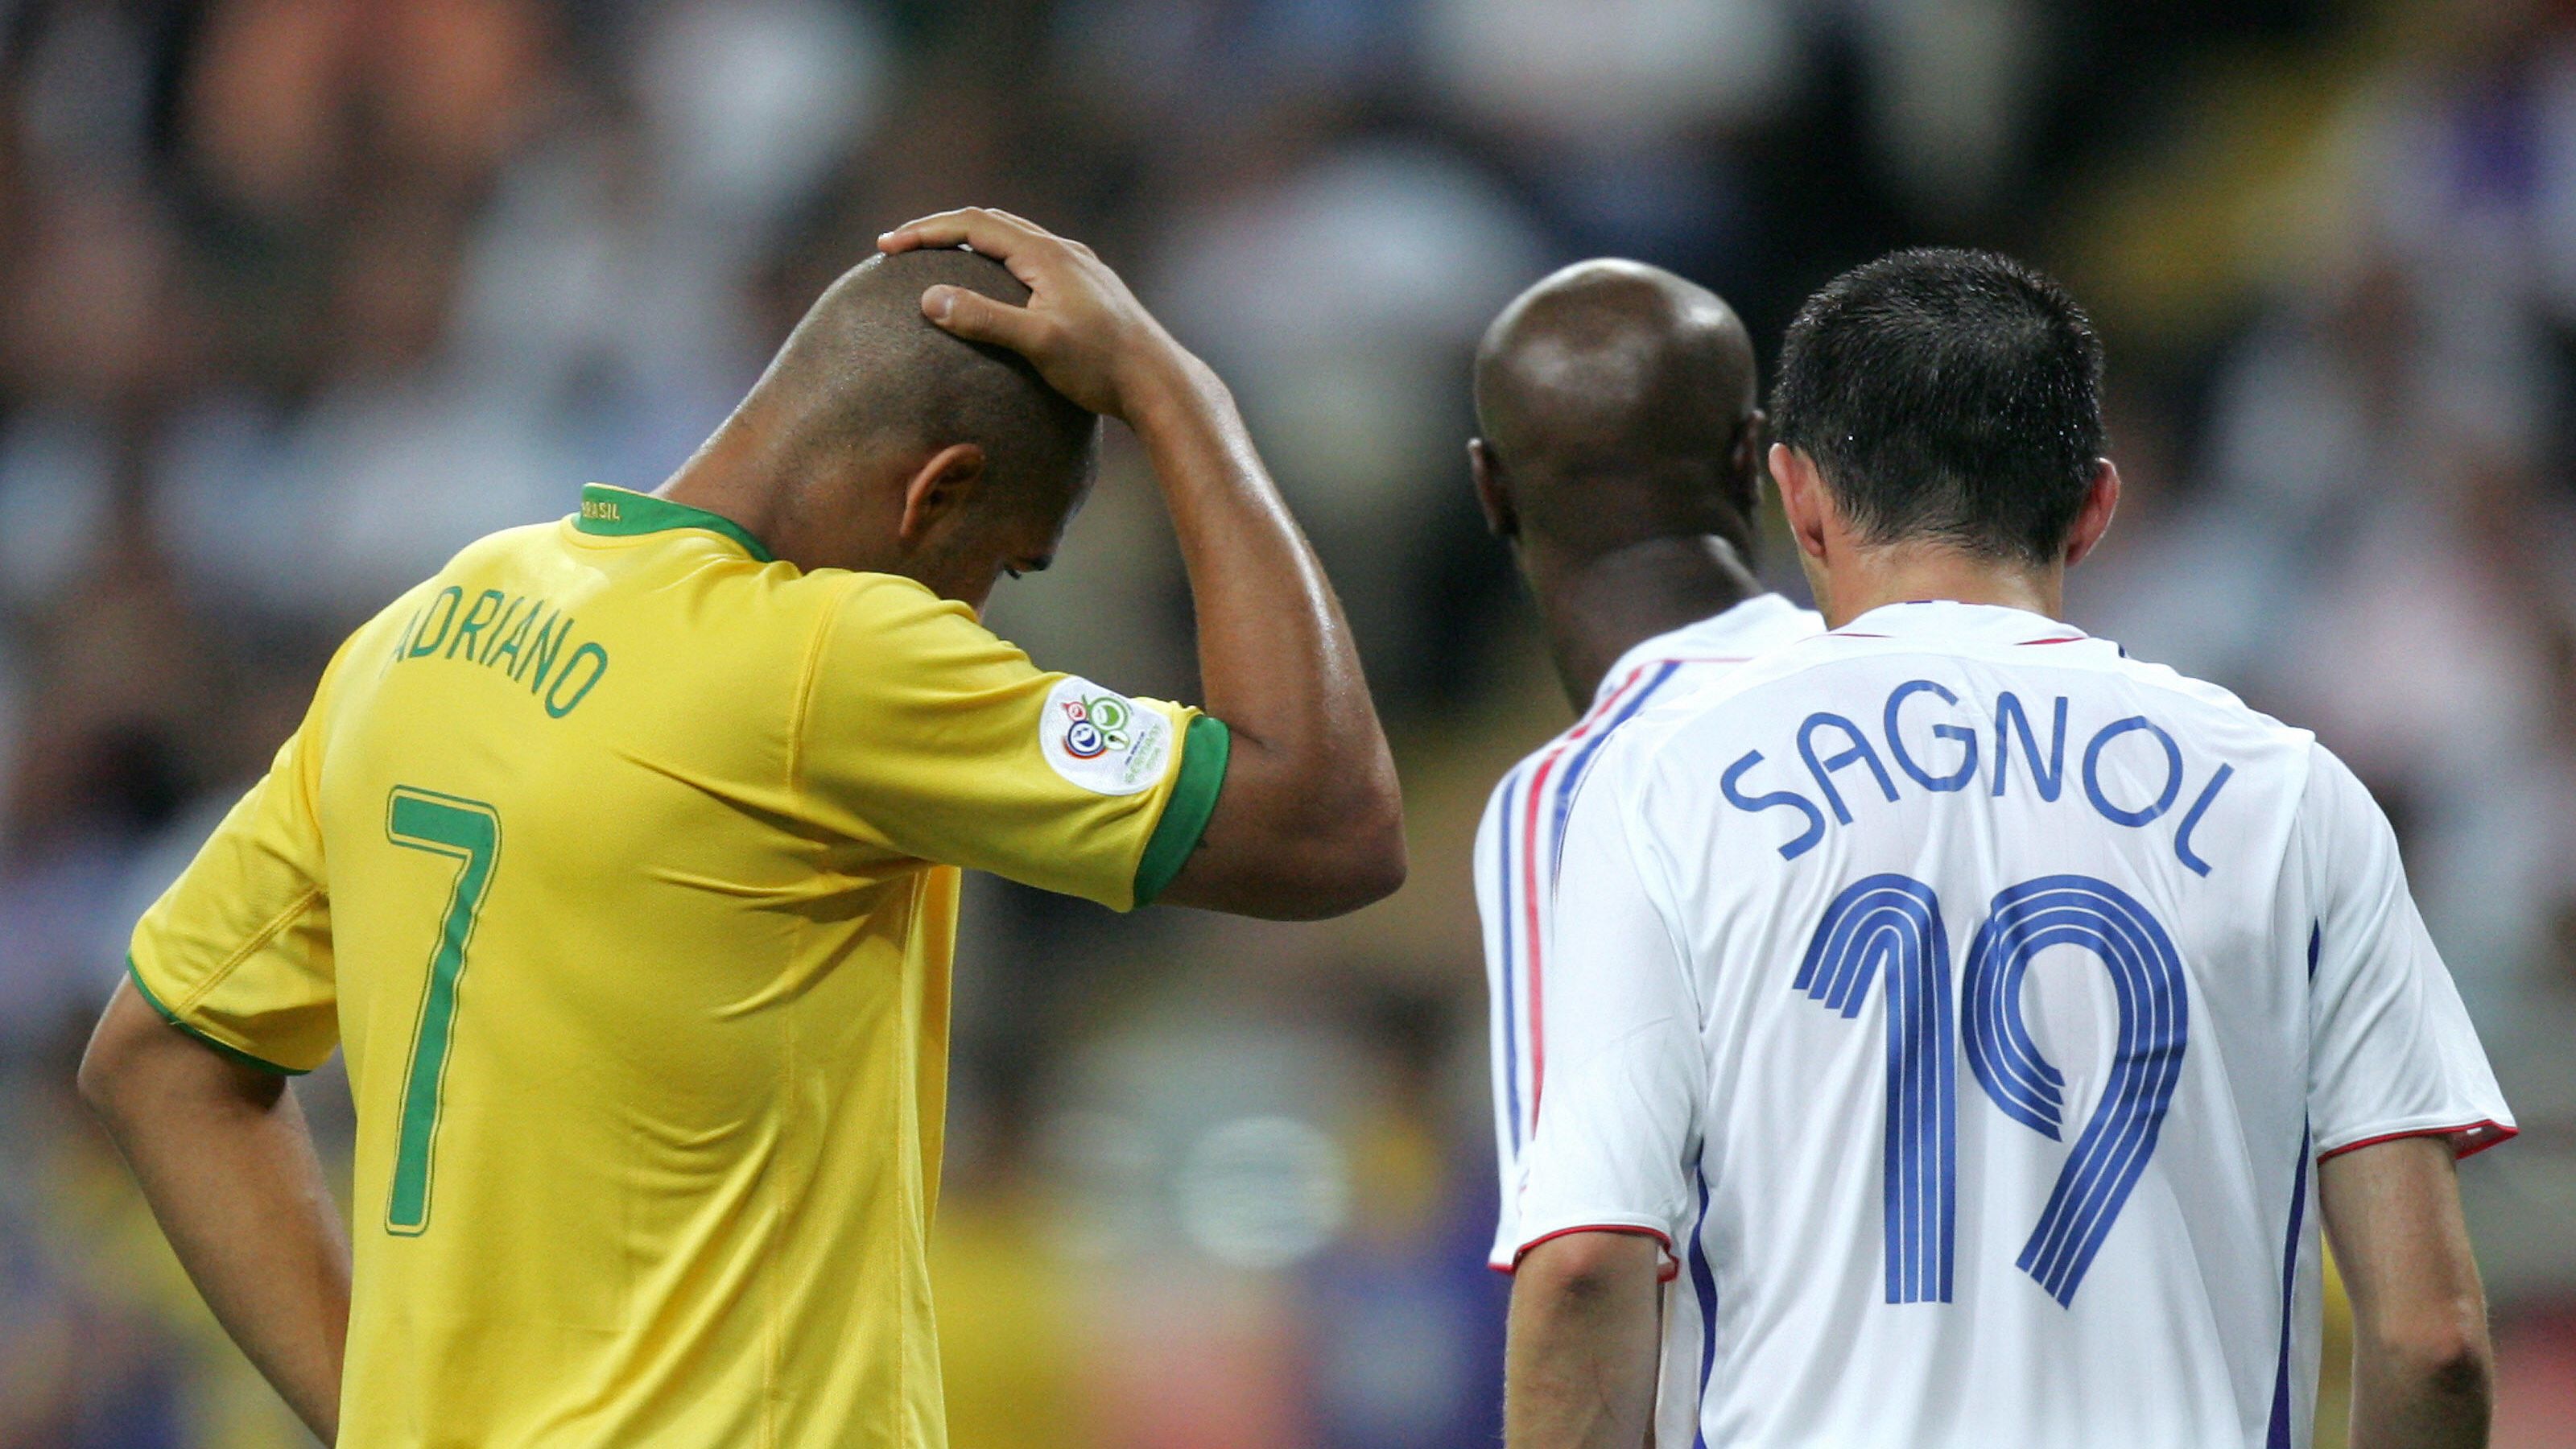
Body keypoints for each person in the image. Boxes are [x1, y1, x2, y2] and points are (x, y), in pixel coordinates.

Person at [76, 208, 1406, 1448]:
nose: (984, 621)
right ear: (932, 496)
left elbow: (157, 1058)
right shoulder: (827, 660)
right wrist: (1184, 394)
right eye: (1003, 565)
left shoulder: (423, 630)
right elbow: (1328, 822)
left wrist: (384, 1419)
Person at [1501, 249, 2512, 1449]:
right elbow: (2431, 1340)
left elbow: (1584, 1272)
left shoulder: (1663, 790)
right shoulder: (2291, 797)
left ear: (1797, 495)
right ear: (2093, 505)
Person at [1465, 260, 1818, 1312]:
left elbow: (1582, 1259)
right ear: (1753, 457)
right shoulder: (1908, 708)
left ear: (1490, 489)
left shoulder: (1583, 793)